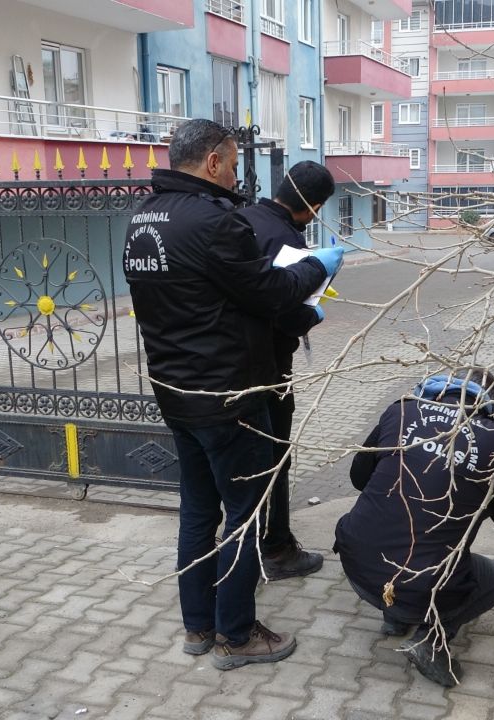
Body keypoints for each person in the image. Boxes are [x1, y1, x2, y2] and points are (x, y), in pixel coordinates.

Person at [123, 119, 345, 670]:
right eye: (233, 159)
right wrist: (318, 265)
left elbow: (207, 298)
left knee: (198, 512)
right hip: (230, 397)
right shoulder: (214, 222)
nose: (237, 171)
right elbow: (270, 291)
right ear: (214, 161)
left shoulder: (142, 220)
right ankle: (237, 635)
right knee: (243, 517)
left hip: (176, 391)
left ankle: (198, 626)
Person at [334, 367, 494, 687]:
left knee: (397, 531)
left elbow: (358, 478)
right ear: (491, 404)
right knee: (491, 581)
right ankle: (431, 640)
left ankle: (395, 617)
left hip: (356, 563)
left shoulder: (401, 410)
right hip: (421, 582)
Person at [237, 161, 337, 581]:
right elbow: (286, 312)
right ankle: (276, 548)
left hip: (228, 366)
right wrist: (316, 312)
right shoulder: (288, 239)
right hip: (270, 366)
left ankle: (246, 542)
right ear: (313, 206)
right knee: (275, 458)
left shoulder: (240, 220)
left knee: (243, 462)